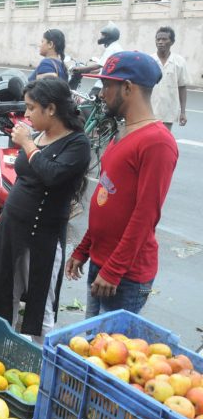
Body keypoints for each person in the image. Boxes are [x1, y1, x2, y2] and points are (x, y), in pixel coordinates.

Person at [0, 78, 90, 343]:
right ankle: (1, 351)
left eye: (31, 108)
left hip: (43, 236)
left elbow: (53, 175)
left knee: (42, 307)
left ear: (50, 109)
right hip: (13, 227)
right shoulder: (40, 135)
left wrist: (28, 144)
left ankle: (42, 367)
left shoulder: (77, 144)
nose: (26, 114)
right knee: (4, 294)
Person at [66, 51, 178, 318]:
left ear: (127, 88)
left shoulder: (157, 143)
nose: (102, 93)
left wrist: (114, 270)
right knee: (89, 348)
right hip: (103, 264)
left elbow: (145, 214)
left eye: (107, 86)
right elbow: (107, 197)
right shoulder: (122, 132)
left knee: (108, 354)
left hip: (124, 276)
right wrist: (85, 248)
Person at [150, 26, 190, 130]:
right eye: (158, 39)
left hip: (168, 112)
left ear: (172, 42)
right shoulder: (149, 60)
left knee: (163, 140)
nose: (160, 42)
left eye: (164, 39)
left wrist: (183, 112)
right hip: (149, 111)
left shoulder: (179, 62)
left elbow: (182, 87)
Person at [72, 22, 123, 96]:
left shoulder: (112, 49)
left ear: (108, 37)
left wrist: (79, 69)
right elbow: (101, 69)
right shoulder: (116, 47)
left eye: (103, 35)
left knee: (88, 104)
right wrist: (86, 72)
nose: (101, 37)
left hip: (103, 84)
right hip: (110, 82)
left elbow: (98, 65)